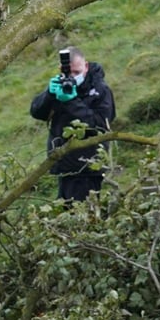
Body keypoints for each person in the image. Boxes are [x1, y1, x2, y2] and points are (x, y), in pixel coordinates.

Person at [30, 46, 116, 203]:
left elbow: (99, 126)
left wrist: (71, 102)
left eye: (77, 72)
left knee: (83, 214)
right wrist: (49, 94)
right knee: (65, 214)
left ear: (86, 66)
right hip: (64, 163)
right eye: (69, 73)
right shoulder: (61, 86)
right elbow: (37, 112)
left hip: (88, 166)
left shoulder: (100, 91)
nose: (73, 77)